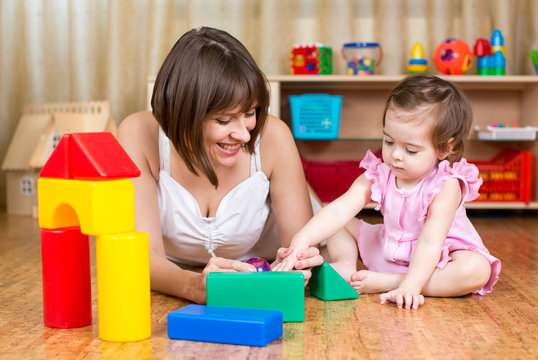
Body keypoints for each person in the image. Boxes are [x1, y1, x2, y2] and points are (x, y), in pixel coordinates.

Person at [117, 26, 323, 304]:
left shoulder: (274, 137)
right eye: (224, 120)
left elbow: (297, 254)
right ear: (182, 114)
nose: (244, 134)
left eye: (249, 113)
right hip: (184, 276)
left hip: (283, 231)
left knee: (351, 232)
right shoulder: (138, 134)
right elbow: (140, 259)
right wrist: (195, 286)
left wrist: (296, 266)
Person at [275, 74, 501, 309]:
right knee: (334, 219)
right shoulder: (379, 173)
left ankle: (390, 281)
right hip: (390, 247)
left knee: (476, 270)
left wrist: (410, 287)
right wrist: (301, 240)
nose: (395, 155)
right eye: (389, 141)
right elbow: (338, 211)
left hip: (438, 256)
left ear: (445, 147)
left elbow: (431, 242)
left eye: (411, 150)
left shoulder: (446, 185)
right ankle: (345, 265)